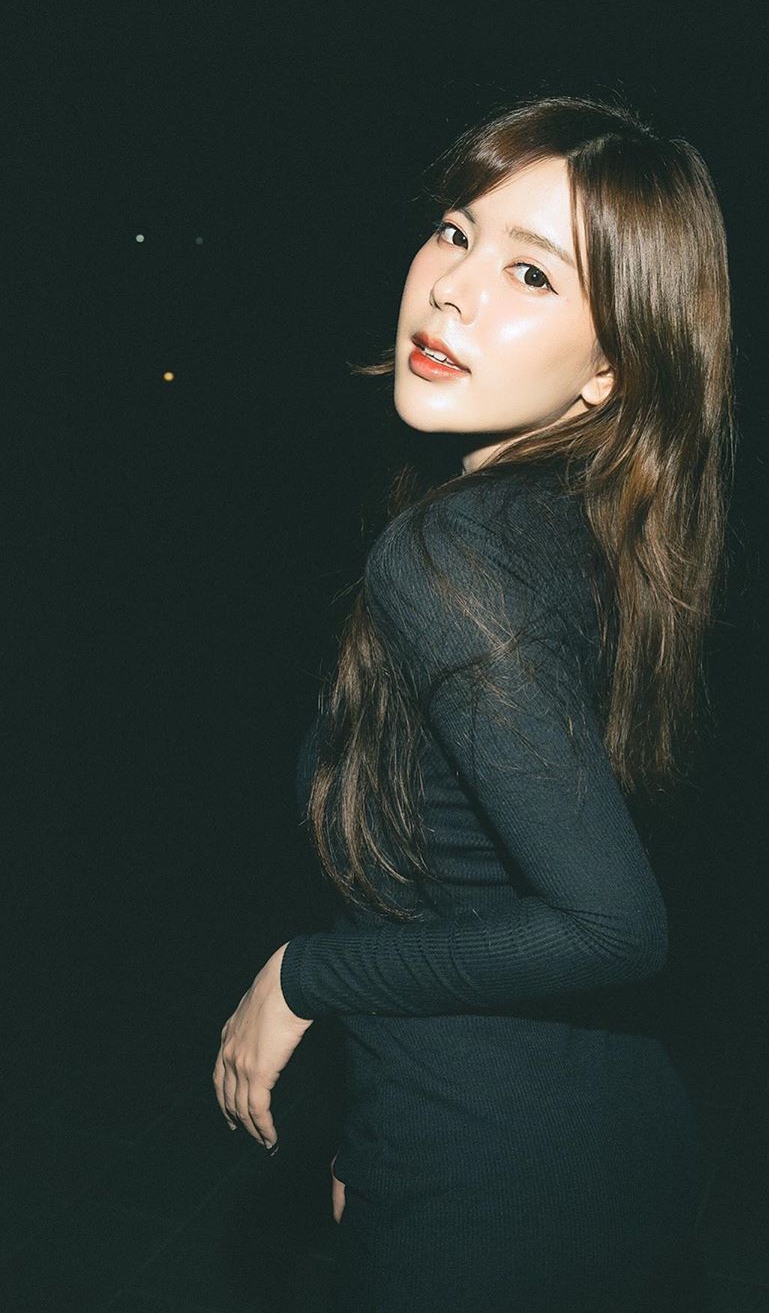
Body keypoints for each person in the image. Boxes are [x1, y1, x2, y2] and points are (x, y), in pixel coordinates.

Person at [212, 91, 736, 1312]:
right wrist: (380, 1133)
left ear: (611, 369)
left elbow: (614, 925)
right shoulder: (587, 530)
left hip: (494, 1190)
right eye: (456, 231)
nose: (452, 289)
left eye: (532, 274)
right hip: (597, 1141)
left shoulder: (455, 556)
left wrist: (301, 976)